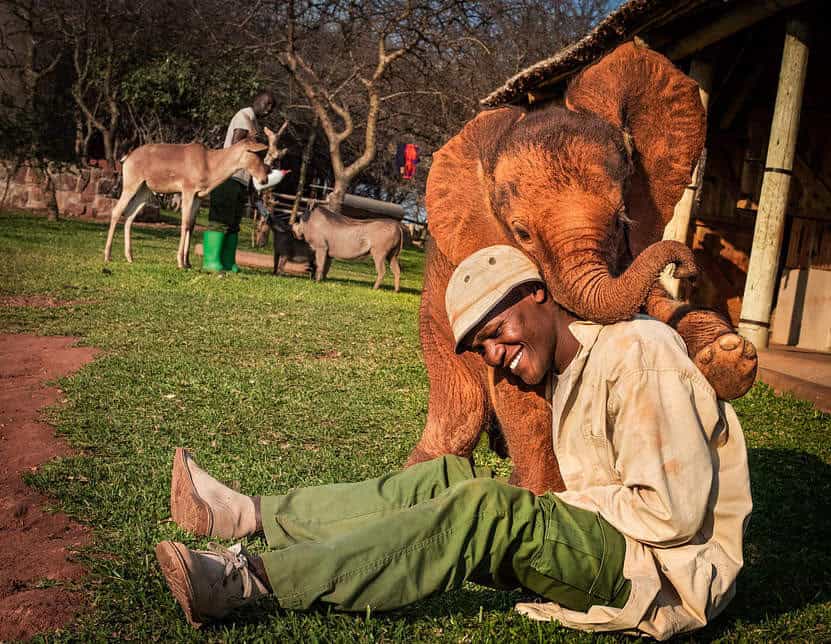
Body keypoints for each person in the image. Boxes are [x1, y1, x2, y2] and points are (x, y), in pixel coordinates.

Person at [156, 245, 752, 639]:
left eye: (497, 331)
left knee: (485, 507)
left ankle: (246, 580)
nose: (495, 354)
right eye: (482, 346)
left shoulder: (639, 354)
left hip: (663, 573)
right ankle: (245, 515)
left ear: (537, 295)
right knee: (449, 476)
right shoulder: (573, 367)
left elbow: (669, 512)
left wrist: (542, 508)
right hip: (614, 544)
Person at [203, 90, 276, 273]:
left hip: (242, 179)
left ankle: (228, 261)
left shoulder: (254, 123)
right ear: (256, 100)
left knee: (234, 222)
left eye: (272, 107)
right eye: (266, 104)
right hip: (227, 176)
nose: (268, 110)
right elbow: (238, 144)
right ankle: (211, 261)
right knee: (220, 219)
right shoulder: (244, 116)